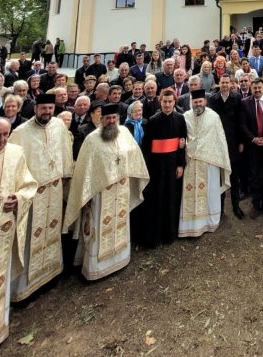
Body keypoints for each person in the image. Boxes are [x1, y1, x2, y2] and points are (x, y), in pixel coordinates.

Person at [63, 104, 149, 279]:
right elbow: (84, 170)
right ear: (101, 119)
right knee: (98, 227)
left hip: (121, 188)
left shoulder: (124, 132)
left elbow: (134, 154)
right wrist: (84, 194)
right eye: (108, 118)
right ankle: (96, 268)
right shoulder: (92, 140)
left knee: (120, 222)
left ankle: (120, 258)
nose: (111, 122)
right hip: (100, 193)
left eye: (114, 118)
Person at [0, 118, 37, 357]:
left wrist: (19, 198)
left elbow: (28, 184)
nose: (2, 140)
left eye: (6, 135)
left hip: (3, 233)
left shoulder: (16, 153)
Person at [8, 95, 73, 301]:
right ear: (35, 108)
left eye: (50, 107)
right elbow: (12, 166)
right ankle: (25, 287)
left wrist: (66, 174)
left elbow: (65, 150)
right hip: (33, 195)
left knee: (52, 229)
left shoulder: (59, 126)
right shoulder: (20, 133)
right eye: (43, 107)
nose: (47, 111)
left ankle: (51, 274)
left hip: (54, 189)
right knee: (31, 237)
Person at [178, 89, 231, 237]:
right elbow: (182, 135)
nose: (198, 104)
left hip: (209, 162)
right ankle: (190, 226)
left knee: (209, 192)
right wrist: (182, 142)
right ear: (191, 103)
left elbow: (219, 140)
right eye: (195, 102)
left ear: (205, 102)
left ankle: (209, 222)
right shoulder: (185, 117)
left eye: (200, 101)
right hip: (190, 160)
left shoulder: (214, 117)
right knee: (189, 192)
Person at [139, 89, 187, 247]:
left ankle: (170, 233)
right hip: (157, 167)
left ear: (174, 102)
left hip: (173, 165)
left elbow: (182, 143)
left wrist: (180, 165)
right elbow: (147, 147)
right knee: (157, 199)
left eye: (170, 101)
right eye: (164, 102)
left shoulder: (180, 119)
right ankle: (156, 234)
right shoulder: (152, 120)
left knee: (172, 198)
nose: (167, 104)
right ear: (161, 102)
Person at [208, 74, 245, 219]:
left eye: (227, 82)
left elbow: (241, 122)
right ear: (219, 83)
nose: (224, 85)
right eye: (222, 82)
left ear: (231, 84)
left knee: (234, 177)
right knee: (219, 177)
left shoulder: (237, 98)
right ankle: (220, 208)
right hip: (217, 143)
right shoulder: (212, 99)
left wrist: (241, 142)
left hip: (233, 142)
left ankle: (236, 206)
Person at [241, 78, 263, 219]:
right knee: (254, 176)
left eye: (259, 87)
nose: (257, 90)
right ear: (251, 88)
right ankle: (256, 204)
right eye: (254, 88)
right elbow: (242, 125)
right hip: (253, 146)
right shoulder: (244, 103)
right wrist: (253, 139)